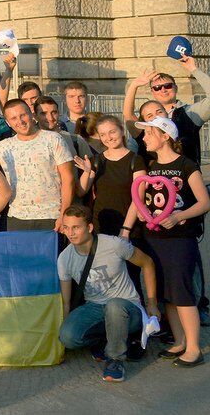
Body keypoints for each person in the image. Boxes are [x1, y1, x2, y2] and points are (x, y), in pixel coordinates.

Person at [121, 116, 209, 367]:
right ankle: (180, 340)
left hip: (179, 239)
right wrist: (128, 228)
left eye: (149, 133)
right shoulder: (148, 167)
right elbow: (137, 200)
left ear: (165, 136)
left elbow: (204, 202)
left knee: (181, 291)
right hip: (153, 237)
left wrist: (179, 216)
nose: (145, 138)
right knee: (165, 293)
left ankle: (194, 348)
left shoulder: (186, 165)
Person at [58, 205, 159, 382]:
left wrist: (152, 303)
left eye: (76, 227)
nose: (70, 233)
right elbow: (66, 302)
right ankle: (108, 339)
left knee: (114, 305)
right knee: (67, 337)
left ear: (89, 228)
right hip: (95, 307)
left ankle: (115, 359)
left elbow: (147, 263)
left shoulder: (113, 244)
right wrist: (64, 332)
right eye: (66, 227)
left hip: (127, 307)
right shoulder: (64, 258)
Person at [0, 98, 74, 231]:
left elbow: (68, 179)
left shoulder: (53, 139)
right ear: (8, 123)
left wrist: (64, 214)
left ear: (31, 114)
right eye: (14, 118)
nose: (20, 121)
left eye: (23, 115)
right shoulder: (5, 146)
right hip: (17, 218)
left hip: (51, 216)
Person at [124, 57, 210, 165]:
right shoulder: (145, 121)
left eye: (168, 86)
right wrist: (134, 85)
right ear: (152, 91)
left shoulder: (191, 113)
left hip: (185, 175)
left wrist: (193, 69)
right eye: (157, 88)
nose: (163, 90)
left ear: (176, 88)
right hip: (152, 177)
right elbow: (128, 117)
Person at [75, 115, 145, 236]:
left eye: (112, 132)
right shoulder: (95, 161)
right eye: (103, 135)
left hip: (128, 227)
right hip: (100, 227)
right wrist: (86, 172)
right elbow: (81, 192)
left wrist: (126, 229)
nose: (108, 138)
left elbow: (138, 198)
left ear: (122, 130)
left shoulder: (136, 160)